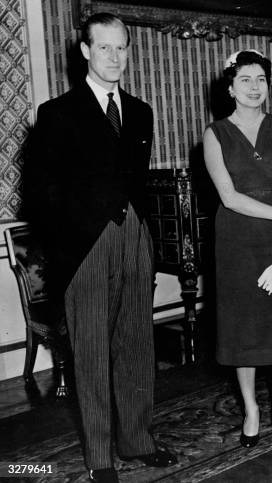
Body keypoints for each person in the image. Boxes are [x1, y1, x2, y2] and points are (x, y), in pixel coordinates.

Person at [26, 13, 177, 483]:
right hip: (84, 246)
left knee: (135, 343)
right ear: (86, 52)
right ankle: (98, 458)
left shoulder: (140, 111)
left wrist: (143, 237)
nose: (115, 57)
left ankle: (136, 439)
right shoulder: (57, 113)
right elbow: (40, 194)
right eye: (105, 48)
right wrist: (67, 252)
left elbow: (134, 180)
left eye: (122, 48)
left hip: (133, 234)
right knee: (89, 351)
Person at [203, 50, 272, 449]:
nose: (254, 87)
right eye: (245, 79)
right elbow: (229, 197)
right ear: (230, 87)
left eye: (261, 79)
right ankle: (251, 409)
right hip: (236, 238)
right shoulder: (215, 133)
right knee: (242, 328)